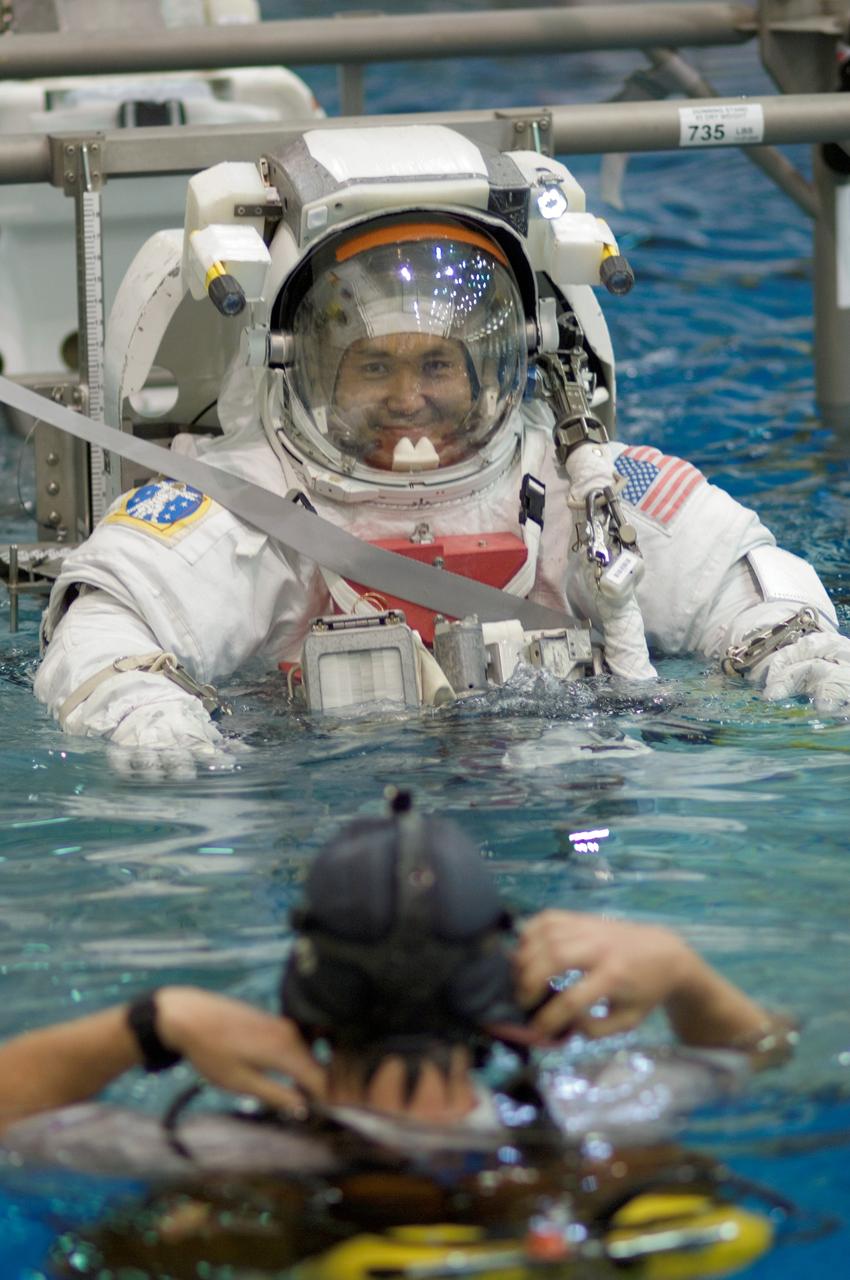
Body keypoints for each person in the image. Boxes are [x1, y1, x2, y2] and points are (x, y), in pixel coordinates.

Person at [31, 125, 850, 774]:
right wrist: (138, 701)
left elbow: (732, 579)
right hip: (318, 817)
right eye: (372, 366)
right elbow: (110, 617)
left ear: (498, 363)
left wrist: (794, 645)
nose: (408, 398)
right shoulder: (250, 499)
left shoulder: (582, 482)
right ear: (302, 368)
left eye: (437, 364)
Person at [0, 795, 792, 1275]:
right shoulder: (612, 1111)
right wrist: (684, 970)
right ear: (499, 990)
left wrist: (151, 1023)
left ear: (302, 993)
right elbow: (758, 1052)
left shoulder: (203, 1154)